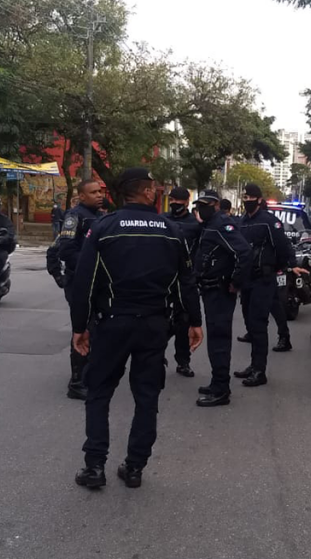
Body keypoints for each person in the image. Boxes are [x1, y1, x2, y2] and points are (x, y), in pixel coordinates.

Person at [70, 167, 202, 489]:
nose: (156, 191)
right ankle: (134, 468)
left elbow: (84, 282)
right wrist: (194, 321)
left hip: (112, 323)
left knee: (99, 393)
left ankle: (94, 467)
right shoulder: (172, 231)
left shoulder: (104, 227)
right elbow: (185, 282)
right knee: (146, 397)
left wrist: (79, 326)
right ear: (146, 192)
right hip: (154, 326)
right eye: (153, 187)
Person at [233, 184, 308, 387]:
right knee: (250, 323)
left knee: (258, 325)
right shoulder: (242, 221)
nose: (247, 200)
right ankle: (253, 365)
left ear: (259, 200)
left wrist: (287, 266)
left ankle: (260, 370)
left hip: (263, 279)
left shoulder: (269, 221)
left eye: (251, 197)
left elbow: (282, 246)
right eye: (245, 197)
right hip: (247, 280)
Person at [191, 190, 251, 408]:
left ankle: (221, 389)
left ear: (216, 205)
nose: (202, 208)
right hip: (210, 289)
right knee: (215, 338)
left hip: (219, 290)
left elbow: (244, 253)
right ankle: (217, 381)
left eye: (206, 205)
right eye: (199, 205)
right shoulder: (209, 224)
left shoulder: (222, 224)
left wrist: (236, 281)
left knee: (219, 340)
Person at [47, 180, 104, 400]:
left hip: (97, 283)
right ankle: (77, 381)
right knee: (84, 327)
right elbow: (65, 251)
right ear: (81, 196)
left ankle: (91, 372)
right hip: (80, 282)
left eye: (100, 191)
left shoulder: (99, 216)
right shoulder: (75, 216)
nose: (99, 195)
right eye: (93, 192)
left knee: (97, 327)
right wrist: (89, 267)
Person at [164, 186, 202, 379]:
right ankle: (156, 355)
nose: (175, 204)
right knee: (159, 320)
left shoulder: (195, 225)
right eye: (172, 200)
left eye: (178, 201)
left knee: (183, 321)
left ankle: (183, 361)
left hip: (184, 279)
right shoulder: (162, 220)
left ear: (187, 202)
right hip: (162, 278)